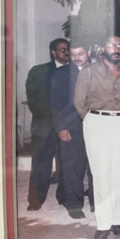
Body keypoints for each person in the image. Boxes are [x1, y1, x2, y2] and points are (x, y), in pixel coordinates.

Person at [74, 36, 120, 239]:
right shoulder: (89, 72)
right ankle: (103, 222)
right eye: (111, 44)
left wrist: (118, 119)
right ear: (103, 48)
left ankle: (117, 218)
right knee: (101, 173)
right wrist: (93, 122)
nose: (116, 48)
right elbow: (79, 103)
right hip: (97, 122)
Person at [50, 39, 94, 219]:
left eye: (80, 54)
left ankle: (96, 202)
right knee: (72, 167)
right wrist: (61, 127)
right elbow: (55, 104)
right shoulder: (60, 74)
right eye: (72, 54)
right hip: (71, 126)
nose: (76, 58)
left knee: (95, 167)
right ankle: (74, 205)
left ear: (89, 52)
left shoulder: (99, 71)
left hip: (95, 125)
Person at [26, 38, 70, 211]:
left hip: (65, 125)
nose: (66, 52)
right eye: (62, 50)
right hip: (43, 126)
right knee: (40, 163)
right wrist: (46, 119)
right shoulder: (38, 71)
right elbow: (32, 99)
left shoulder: (72, 72)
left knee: (65, 163)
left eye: (67, 49)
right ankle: (36, 200)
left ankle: (64, 197)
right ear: (53, 52)